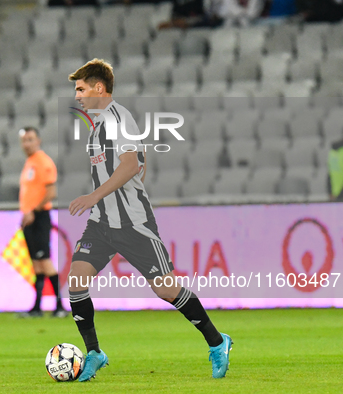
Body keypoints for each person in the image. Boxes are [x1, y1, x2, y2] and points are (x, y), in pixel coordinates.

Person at [66, 59, 232, 381]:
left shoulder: (119, 118)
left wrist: (92, 197)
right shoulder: (98, 126)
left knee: (167, 290)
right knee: (76, 280)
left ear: (99, 88)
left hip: (133, 224)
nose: (77, 96)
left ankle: (217, 342)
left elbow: (129, 166)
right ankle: (94, 353)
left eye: (81, 88)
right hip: (101, 224)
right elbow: (139, 161)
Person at [18, 127, 68, 318]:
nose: (27, 144)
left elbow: (51, 192)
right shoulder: (30, 163)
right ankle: (37, 307)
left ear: (38, 141)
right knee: (37, 264)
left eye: (30, 139)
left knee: (45, 261)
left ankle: (60, 305)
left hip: (39, 217)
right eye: (24, 140)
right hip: (30, 217)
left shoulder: (43, 162)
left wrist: (33, 210)